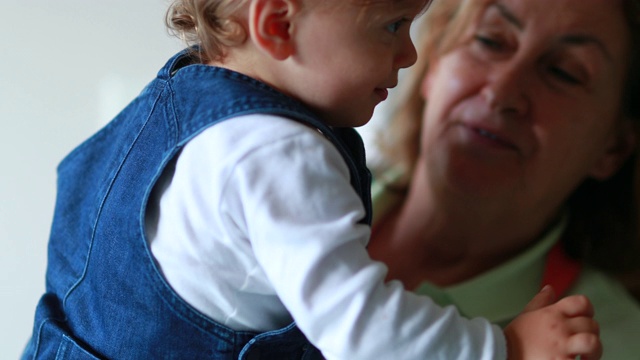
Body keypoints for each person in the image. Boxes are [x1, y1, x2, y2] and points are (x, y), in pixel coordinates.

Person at [21, 0, 602, 359]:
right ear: (277, 23)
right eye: (392, 25)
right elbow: (363, 331)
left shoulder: (181, 101)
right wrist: (506, 348)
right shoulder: (278, 154)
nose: (408, 55)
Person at [367, 0, 640, 358]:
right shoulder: (303, 181)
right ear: (434, 60)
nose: (501, 93)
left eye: (563, 72)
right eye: (491, 40)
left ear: (613, 147)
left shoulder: (614, 344)